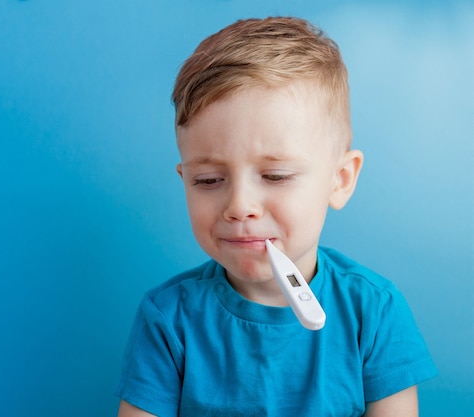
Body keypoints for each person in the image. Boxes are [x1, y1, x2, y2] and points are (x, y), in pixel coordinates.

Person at [114, 16, 437, 417]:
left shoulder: (374, 311)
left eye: (275, 176)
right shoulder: (168, 318)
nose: (239, 206)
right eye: (209, 179)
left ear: (340, 179)